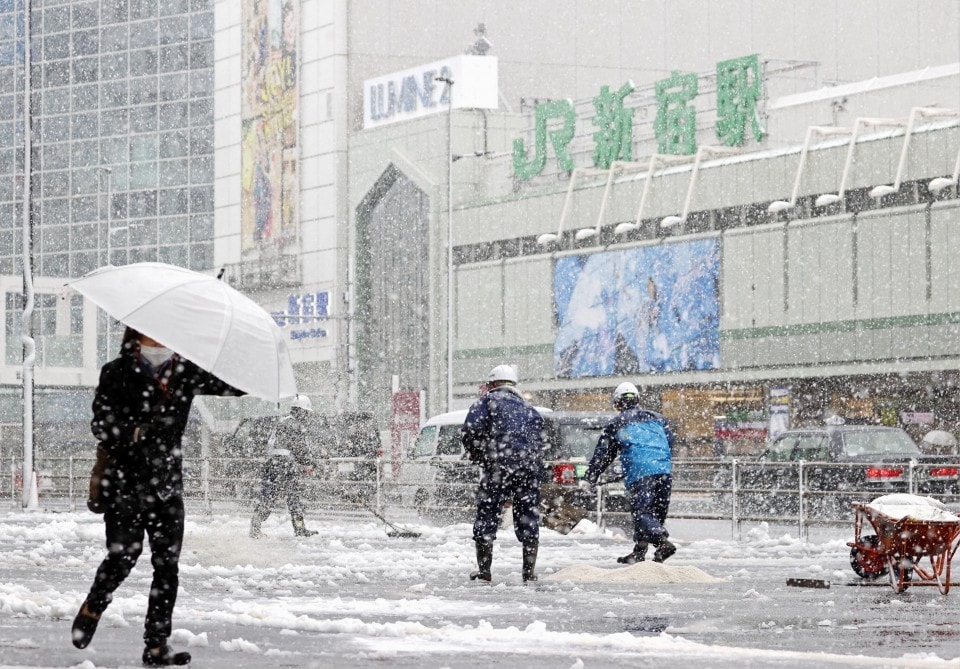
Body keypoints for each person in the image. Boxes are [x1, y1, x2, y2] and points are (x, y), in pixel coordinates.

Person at [72, 328, 245, 666]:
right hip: (126, 484)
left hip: (167, 486)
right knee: (122, 558)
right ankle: (94, 605)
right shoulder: (117, 371)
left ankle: (156, 645)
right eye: (150, 333)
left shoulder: (185, 369)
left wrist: (223, 351)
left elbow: (234, 386)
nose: (159, 339)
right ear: (136, 337)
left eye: (165, 333)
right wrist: (132, 431)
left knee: (167, 568)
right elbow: (101, 423)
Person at [460, 364, 545, 583]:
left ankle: (484, 570)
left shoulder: (486, 402)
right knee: (529, 517)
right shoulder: (529, 409)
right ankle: (529, 571)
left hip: (498, 468)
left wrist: (482, 457)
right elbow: (541, 440)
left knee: (487, 515)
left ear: (492, 384)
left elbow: (470, 432)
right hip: (528, 471)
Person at [581, 382, 677, 564]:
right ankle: (639, 552)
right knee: (656, 512)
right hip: (664, 470)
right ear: (638, 400)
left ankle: (662, 542)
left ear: (618, 403)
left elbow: (603, 454)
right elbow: (669, 443)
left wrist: (590, 478)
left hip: (640, 472)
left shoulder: (616, 424)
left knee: (642, 513)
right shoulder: (659, 419)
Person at [249, 394, 319, 539]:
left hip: (273, 464)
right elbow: (299, 449)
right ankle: (299, 529)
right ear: (300, 411)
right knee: (293, 499)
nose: (306, 416)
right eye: (306, 413)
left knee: (268, 497)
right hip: (285, 465)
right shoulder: (294, 425)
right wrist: (311, 462)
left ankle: (255, 527)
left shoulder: (282, 421)